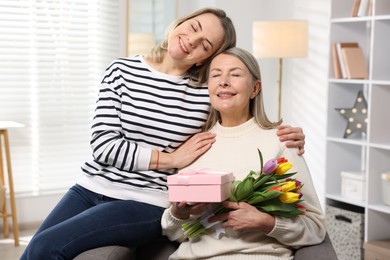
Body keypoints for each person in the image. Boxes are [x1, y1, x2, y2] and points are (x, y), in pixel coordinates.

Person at [21, 8, 305, 260]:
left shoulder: (203, 92)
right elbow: (103, 146)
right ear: (181, 22)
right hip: (89, 188)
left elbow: (239, 111)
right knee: (32, 250)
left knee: (47, 246)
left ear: (207, 57)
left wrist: (286, 134)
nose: (192, 40)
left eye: (205, 44)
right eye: (194, 28)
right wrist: (170, 159)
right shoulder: (121, 71)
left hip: (147, 200)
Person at [161, 47, 326, 260]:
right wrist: (177, 215)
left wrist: (267, 223)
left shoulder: (281, 142)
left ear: (255, 89)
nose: (224, 81)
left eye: (236, 74)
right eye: (216, 74)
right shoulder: (194, 146)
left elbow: (315, 227)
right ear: (209, 86)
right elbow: (173, 233)